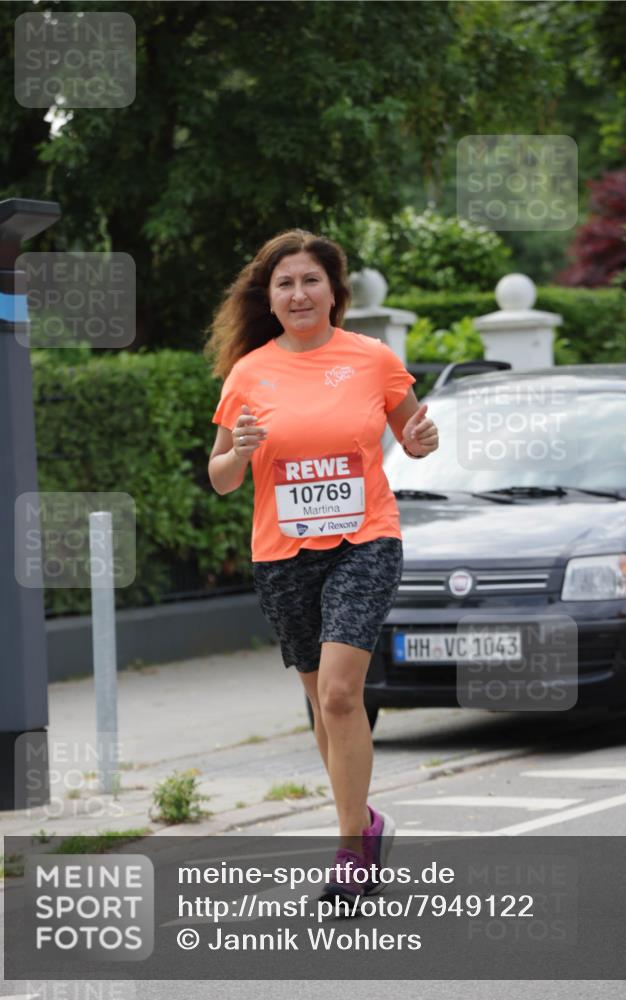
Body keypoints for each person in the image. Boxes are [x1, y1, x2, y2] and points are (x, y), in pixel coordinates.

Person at [205, 228, 438, 905]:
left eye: (311, 280)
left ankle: (349, 851)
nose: (299, 293)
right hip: (282, 553)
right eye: (285, 283)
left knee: (340, 693)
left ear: (334, 292)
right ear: (269, 298)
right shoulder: (248, 372)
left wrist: (422, 439)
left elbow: (413, 438)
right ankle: (364, 822)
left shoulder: (370, 359)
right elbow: (220, 478)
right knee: (320, 701)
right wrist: (241, 451)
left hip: (364, 541)